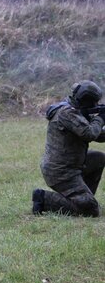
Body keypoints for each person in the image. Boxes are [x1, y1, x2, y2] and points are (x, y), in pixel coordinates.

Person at [32, 80, 105, 217]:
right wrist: (100, 119)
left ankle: (85, 198)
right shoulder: (67, 113)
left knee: (98, 158)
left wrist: (98, 121)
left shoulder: (75, 112)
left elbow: (97, 135)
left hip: (70, 165)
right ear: (85, 100)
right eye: (93, 102)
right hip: (61, 171)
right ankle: (43, 199)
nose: (95, 105)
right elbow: (89, 133)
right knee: (91, 211)